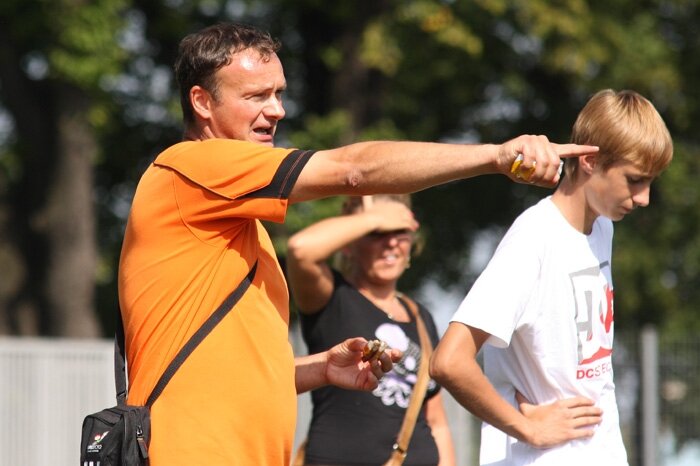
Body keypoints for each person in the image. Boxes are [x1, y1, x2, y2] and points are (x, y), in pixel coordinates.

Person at [117, 21, 598, 466]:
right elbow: (353, 170)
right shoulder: (192, 168)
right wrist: (496, 156)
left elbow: (228, 375)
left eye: (279, 93)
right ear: (202, 102)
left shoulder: (240, 224)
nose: (277, 110)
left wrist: (321, 368)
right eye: (257, 95)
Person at [430, 89, 674, 465]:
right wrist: (527, 429)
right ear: (590, 161)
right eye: (635, 180)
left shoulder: (603, 227)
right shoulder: (534, 238)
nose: (644, 198)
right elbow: (449, 361)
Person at [286, 194, 456, 465]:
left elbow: (436, 420)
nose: (391, 242)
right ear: (348, 245)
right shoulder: (332, 295)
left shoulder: (420, 316)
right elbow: (300, 250)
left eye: (399, 232)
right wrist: (374, 217)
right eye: (376, 233)